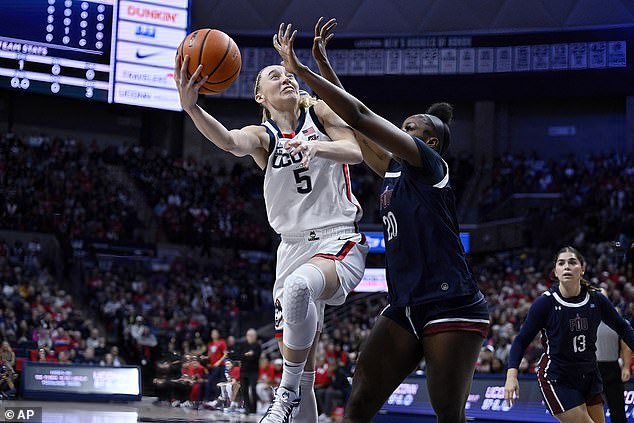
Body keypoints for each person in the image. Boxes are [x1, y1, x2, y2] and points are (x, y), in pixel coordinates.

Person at [273, 19, 490, 423]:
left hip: (450, 302)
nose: (401, 130)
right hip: (405, 304)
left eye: (411, 128)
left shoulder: (431, 165)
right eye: (402, 126)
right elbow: (355, 122)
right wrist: (326, 69)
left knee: (448, 414)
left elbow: (359, 114)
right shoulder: (392, 170)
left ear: (431, 142)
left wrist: (303, 71)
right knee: (358, 404)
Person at [174, 51, 369, 423]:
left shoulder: (320, 113)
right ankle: (294, 390)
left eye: (288, 75)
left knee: (299, 290)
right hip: (292, 248)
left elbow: (354, 151)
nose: (286, 78)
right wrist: (193, 110)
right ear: (260, 96)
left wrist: (316, 146)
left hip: (337, 238)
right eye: (275, 76)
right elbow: (230, 141)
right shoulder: (265, 136)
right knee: (306, 370)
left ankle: (284, 393)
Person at [504, 247, 634, 423]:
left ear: (582, 269)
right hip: (558, 378)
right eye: (561, 263)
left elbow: (624, 328)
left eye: (572, 262)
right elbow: (521, 340)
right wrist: (511, 376)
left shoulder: (596, 299)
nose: (566, 266)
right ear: (555, 272)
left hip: (589, 374)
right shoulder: (545, 303)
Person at [595, 288, 631, 423]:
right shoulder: (584, 318)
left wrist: (626, 367)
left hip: (612, 368)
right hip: (591, 369)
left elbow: (625, 344)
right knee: (588, 411)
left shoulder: (617, 319)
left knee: (618, 410)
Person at [238, 328, 262, 415]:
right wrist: (248, 355)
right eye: (249, 336)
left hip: (253, 371)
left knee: (253, 389)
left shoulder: (257, 346)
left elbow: (256, 356)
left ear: (255, 337)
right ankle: (247, 408)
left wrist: (249, 355)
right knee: (244, 389)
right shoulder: (243, 345)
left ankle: (254, 409)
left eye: (252, 336)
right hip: (244, 371)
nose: (250, 337)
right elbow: (240, 356)